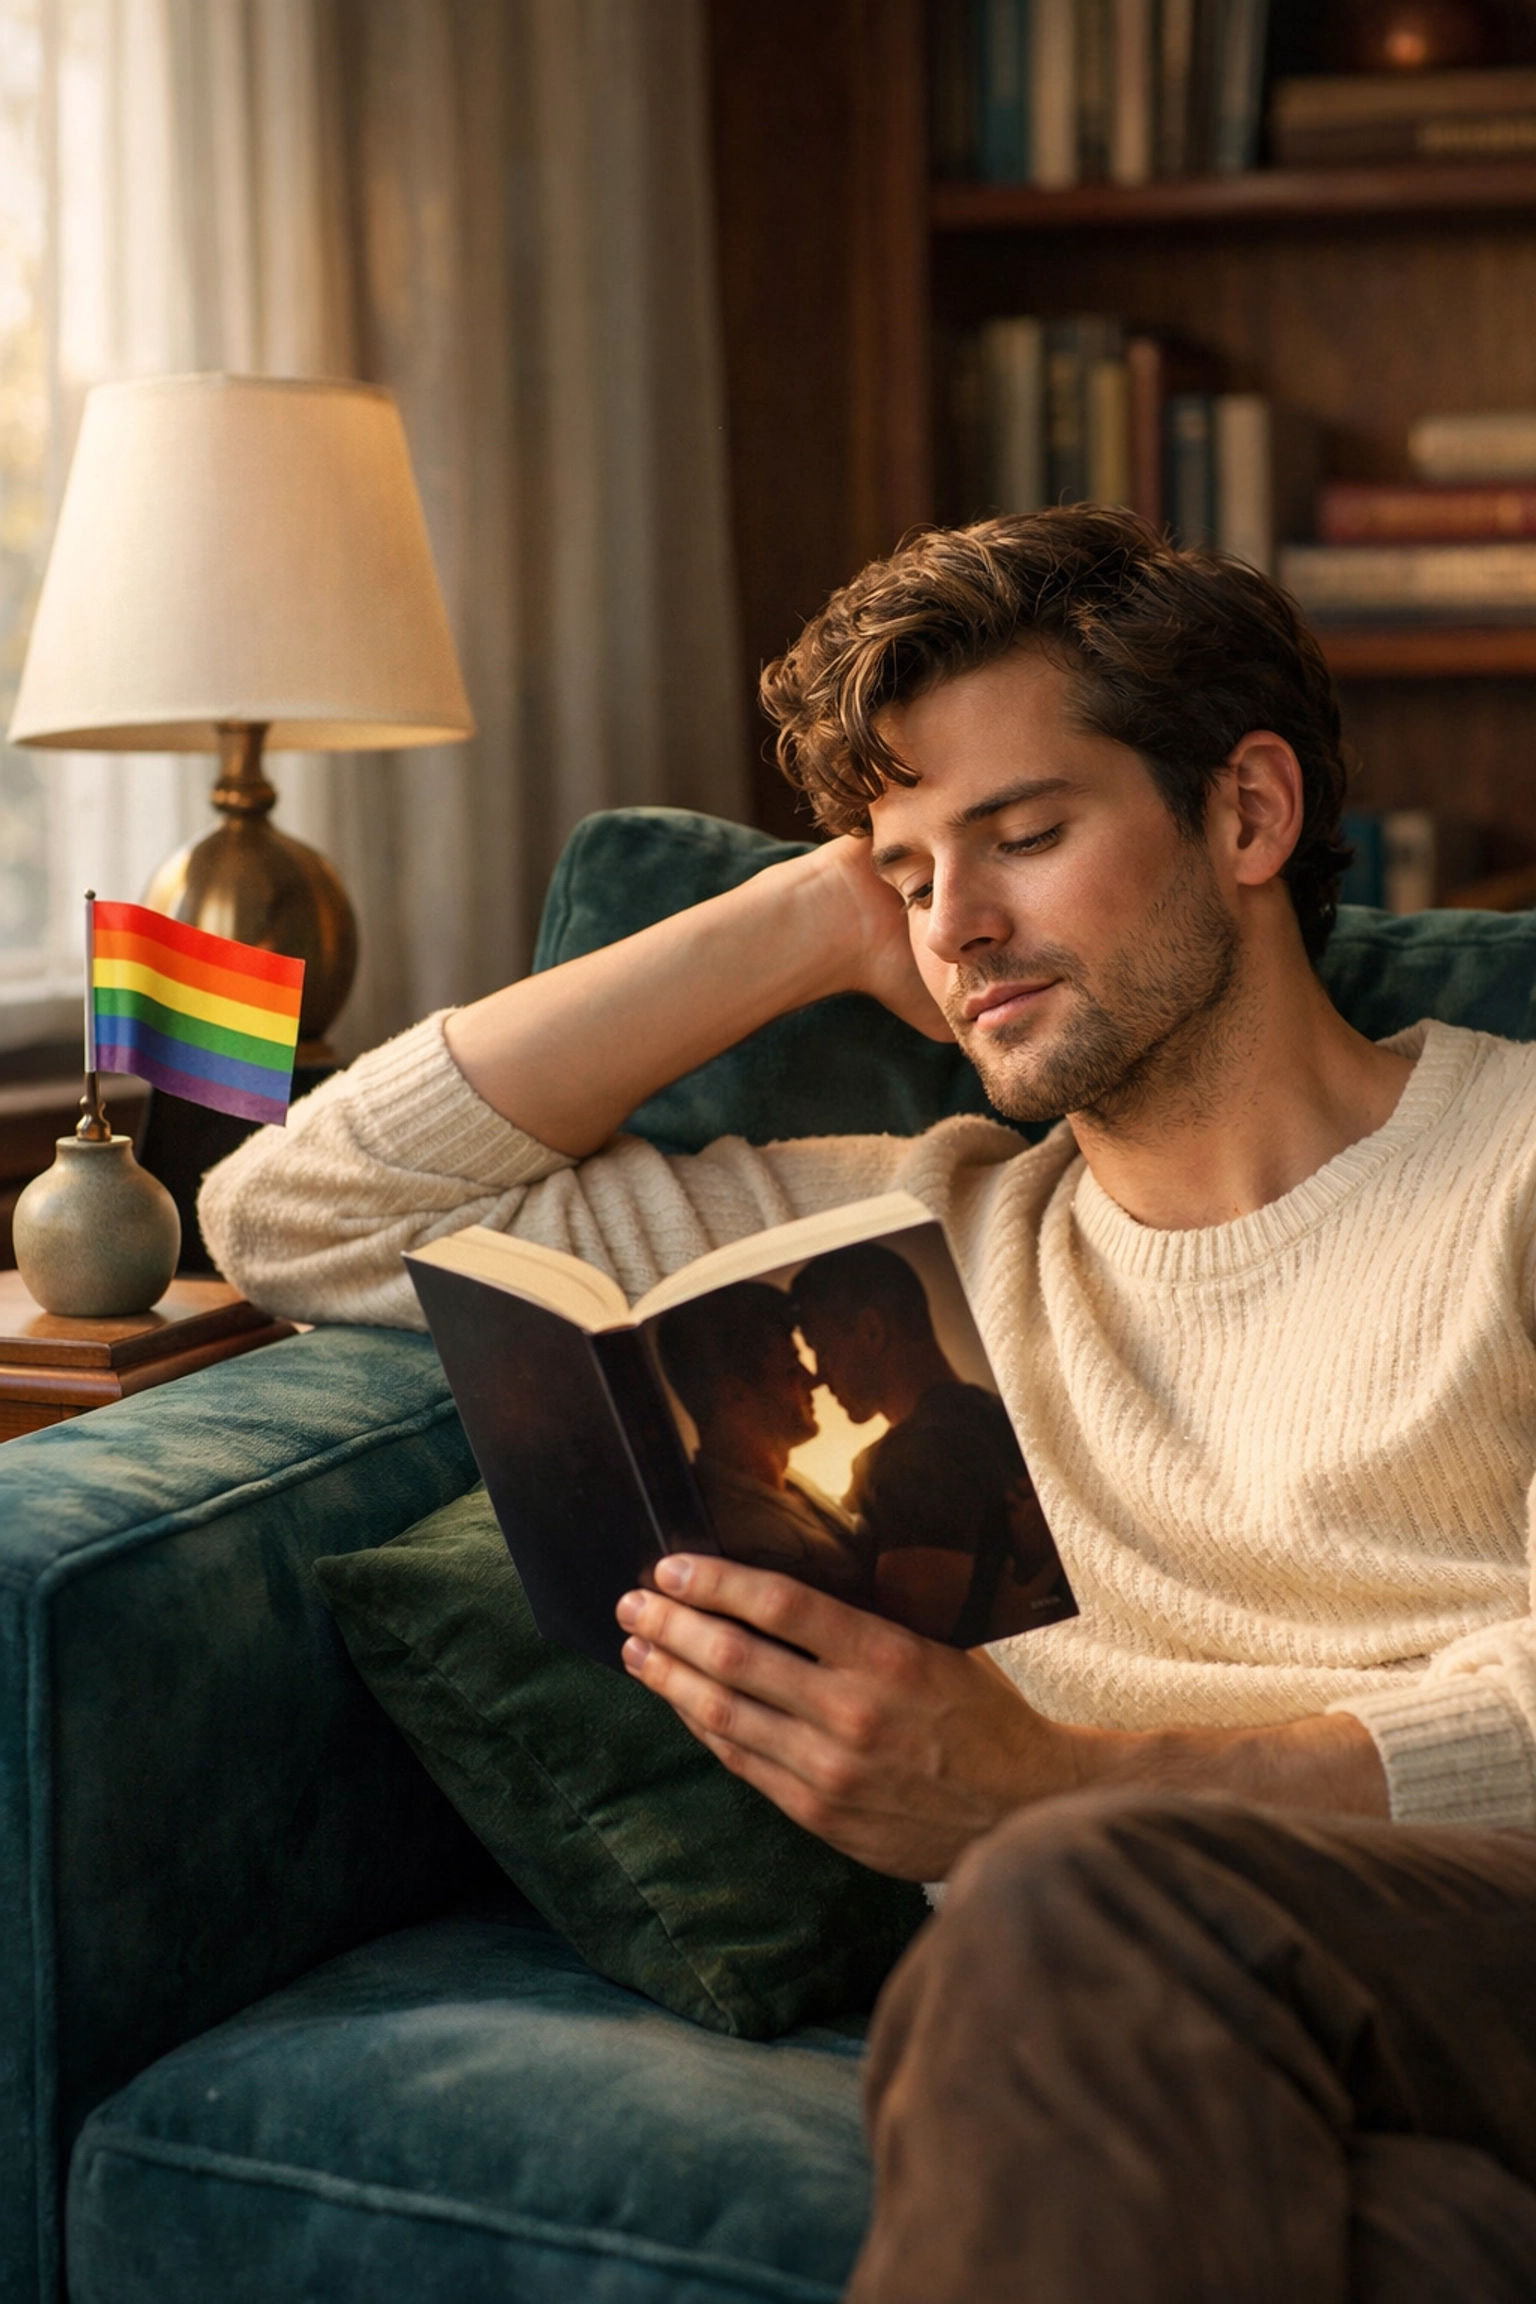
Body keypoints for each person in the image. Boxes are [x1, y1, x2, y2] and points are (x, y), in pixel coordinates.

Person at [199, 506, 1536, 2301]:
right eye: (910, 871)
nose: (959, 925)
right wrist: (800, 914)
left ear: (1246, 813)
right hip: (1147, 2036)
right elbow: (291, 1214)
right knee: (1413, 2249)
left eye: (1025, 834)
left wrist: (1053, 1790)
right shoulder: (916, 1230)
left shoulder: (1512, 1161)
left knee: (1064, 1891)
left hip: (1456, 1928)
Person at [790, 1242, 1065, 1642]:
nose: (817, 1376)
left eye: (822, 1350)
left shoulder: (917, 1456)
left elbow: (904, 1653)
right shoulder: (997, 1414)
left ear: (871, 1331)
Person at [650, 1280, 868, 1598]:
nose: (813, 1380)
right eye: (792, 1369)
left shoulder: (779, 1484)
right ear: (735, 1395)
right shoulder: (744, 1533)